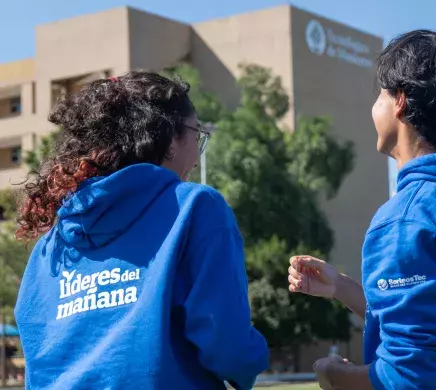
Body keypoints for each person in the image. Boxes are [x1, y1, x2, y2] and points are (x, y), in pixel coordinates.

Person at [288, 30, 436, 390]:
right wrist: (340, 287)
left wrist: (332, 374)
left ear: (400, 100)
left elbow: (408, 379)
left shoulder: (409, 218)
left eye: (380, 95)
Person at [14, 71, 269, 389]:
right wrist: (252, 360)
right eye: (197, 133)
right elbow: (225, 342)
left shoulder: (49, 246)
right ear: (170, 138)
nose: (198, 148)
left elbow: (40, 352)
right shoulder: (193, 208)